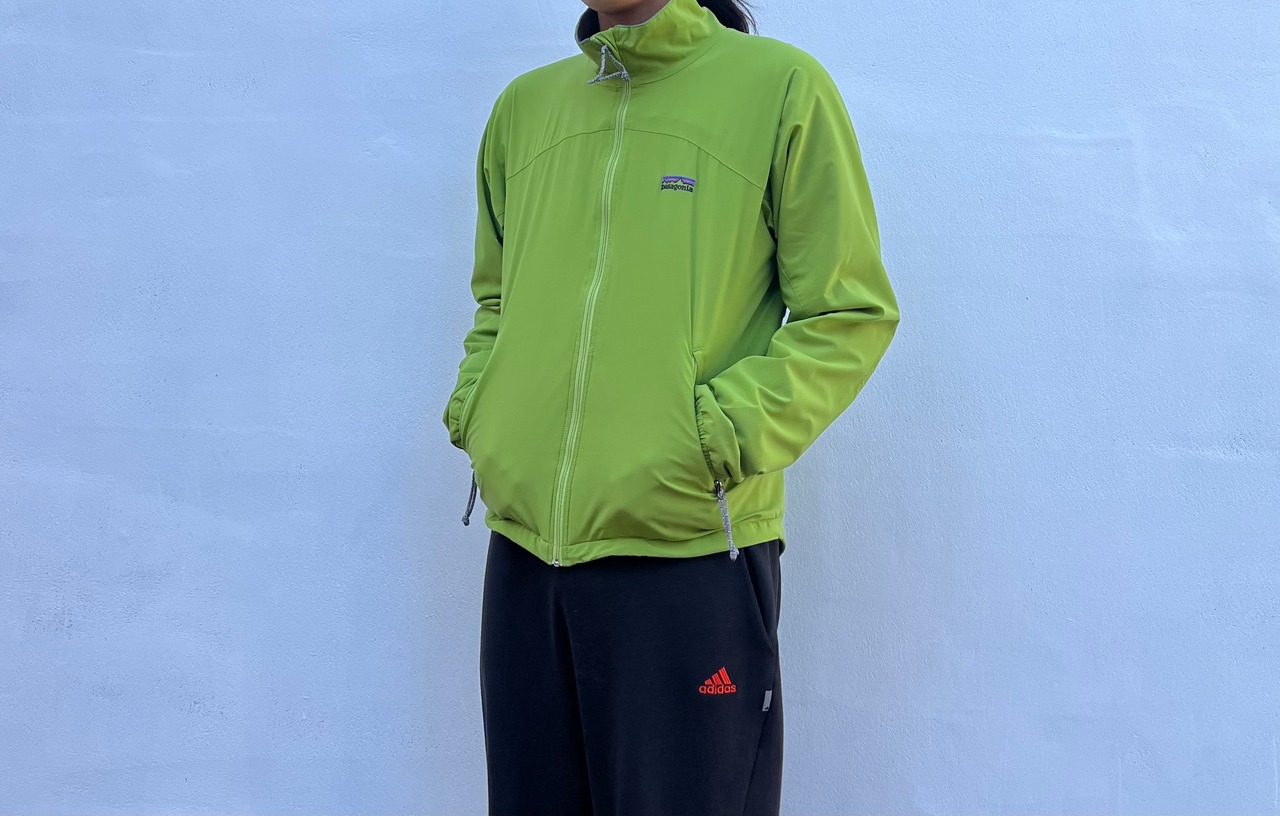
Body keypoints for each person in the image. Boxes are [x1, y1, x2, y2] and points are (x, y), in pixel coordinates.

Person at [442, 0, 900, 812]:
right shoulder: (524, 108)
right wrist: (483, 414)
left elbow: (847, 312)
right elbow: (497, 301)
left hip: (688, 553)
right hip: (523, 557)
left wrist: (714, 438)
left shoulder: (780, 89)